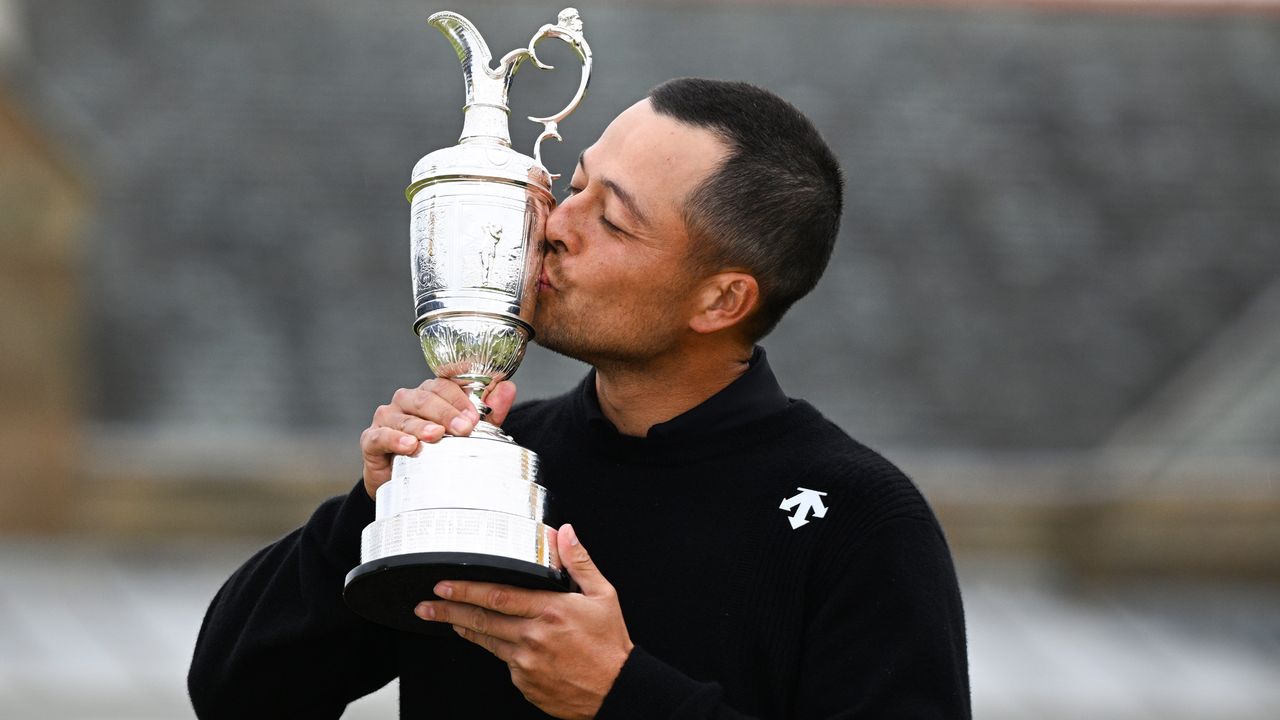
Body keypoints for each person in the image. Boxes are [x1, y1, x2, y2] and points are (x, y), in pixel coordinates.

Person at [188, 78, 970, 719]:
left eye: (614, 220)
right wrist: (375, 508)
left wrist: (625, 695)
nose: (555, 224)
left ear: (721, 301)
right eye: (577, 184)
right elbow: (237, 691)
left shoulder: (863, 522)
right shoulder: (504, 459)